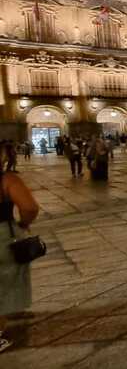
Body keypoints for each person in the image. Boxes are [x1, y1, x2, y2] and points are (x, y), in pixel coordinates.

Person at [0, 151, 40, 354]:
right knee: (5, 284)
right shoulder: (7, 179)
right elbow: (29, 207)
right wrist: (23, 224)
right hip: (2, 236)